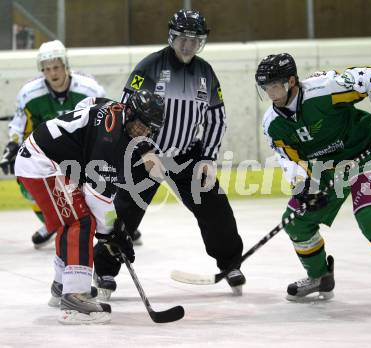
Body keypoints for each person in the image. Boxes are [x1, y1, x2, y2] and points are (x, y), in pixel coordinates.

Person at [93, 9, 246, 299]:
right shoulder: (149, 67)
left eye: (195, 41)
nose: (188, 46)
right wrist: (146, 150)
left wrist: (208, 157)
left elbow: (216, 118)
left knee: (215, 208)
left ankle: (230, 264)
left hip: (188, 156)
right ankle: (104, 271)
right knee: (125, 212)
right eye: (183, 39)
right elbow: (126, 112)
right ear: (171, 37)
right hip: (143, 154)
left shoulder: (206, 73)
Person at [255, 53, 371, 308]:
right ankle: (320, 277)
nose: (270, 93)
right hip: (328, 169)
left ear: (291, 81)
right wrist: (303, 186)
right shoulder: (272, 124)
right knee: (296, 222)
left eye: (275, 86)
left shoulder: (324, 88)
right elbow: (288, 159)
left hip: (367, 152)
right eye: (265, 87)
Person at [14, 89, 165, 324]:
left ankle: (61, 284)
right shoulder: (110, 141)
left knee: (72, 218)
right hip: (42, 164)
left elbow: (89, 102)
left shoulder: (115, 108)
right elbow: (97, 197)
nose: (144, 132)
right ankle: (74, 297)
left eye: (150, 129)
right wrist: (112, 234)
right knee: (81, 220)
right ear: (131, 113)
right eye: (141, 126)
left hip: (46, 158)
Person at [0, 39, 106, 249]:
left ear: (66, 65)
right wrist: (11, 148)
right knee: (27, 184)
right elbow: (19, 124)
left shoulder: (89, 88)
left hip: (81, 152)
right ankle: (53, 223)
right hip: (46, 155)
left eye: (56, 67)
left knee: (99, 184)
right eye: (47, 69)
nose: (53, 73)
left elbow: (103, 120)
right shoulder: (29, 93)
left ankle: (107, 225)